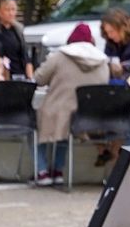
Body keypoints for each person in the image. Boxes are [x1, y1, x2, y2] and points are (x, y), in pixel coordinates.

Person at [32, 21, 108, 185]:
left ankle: (42, 171)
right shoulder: (102, 60)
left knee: (39, 125)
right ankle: (58, 170)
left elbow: (39, 78)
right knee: (65, 132)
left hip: (59, 110)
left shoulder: (59, 56)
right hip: (90, 116)